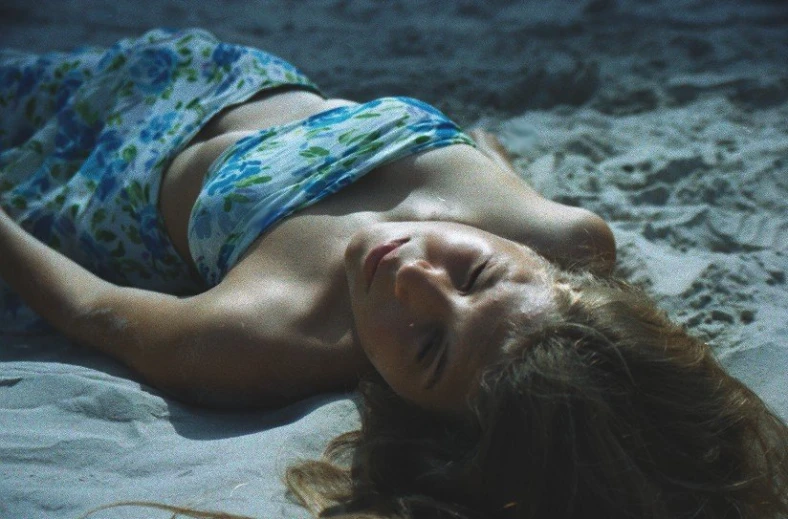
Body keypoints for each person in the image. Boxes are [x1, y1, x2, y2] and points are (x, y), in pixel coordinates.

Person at [1, 28, 786, 519]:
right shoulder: (570, 236)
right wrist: (482, 149)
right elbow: (492, 165)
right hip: (217, 64)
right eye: (475, 274)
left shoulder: (271, 335)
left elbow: (87, 306)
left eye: (429, 349)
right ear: (564, 276)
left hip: (92, 165)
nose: (412, 278)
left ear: (414, 409)